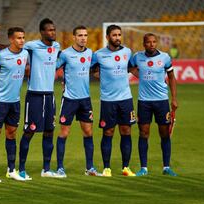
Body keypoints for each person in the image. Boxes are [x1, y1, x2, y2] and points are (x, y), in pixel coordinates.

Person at [91, 24, 136, 177]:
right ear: (107, 37)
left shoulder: (127, 52)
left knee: (126, 131)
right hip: (108, 100)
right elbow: (93, 71)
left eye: (119, 35)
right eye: (114, 35)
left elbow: (131, 68)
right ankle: (107, 168)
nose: (117, 38)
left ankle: (126, 167)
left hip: (125, 99)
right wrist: (104, 78)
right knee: (108, 131)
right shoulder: (98, 55)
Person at [130, 33, 178, 176]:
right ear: (144, 44)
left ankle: (166, 167)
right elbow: (130, 68)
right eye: (148, 42)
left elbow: (171, 77)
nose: (152, 44)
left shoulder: (164, 58)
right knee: (143, 133)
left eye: (154, 42)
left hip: (161, 101)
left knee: (164, 134)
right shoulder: (137, 57)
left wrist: (174, 98)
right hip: (144, 101)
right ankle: (143, 168)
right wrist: (141, 76)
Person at [18, 18, 61, 179]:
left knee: (49, 131)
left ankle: (46, 169)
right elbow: (15, 48)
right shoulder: (31, 46)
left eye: (54, 30)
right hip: (34, 95)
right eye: (50, 30)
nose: (53, 32)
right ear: (42, 32)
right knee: (30, 131)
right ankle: (21, 169)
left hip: (50, 95)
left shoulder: (57, 46)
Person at [55, 25, 100, 177]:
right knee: (64, 132)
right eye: (80, 35)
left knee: (88, 132)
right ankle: (60, 168)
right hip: (69, 99)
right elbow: (53, 68)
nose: (83, 38)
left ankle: (90, 168)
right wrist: (63, 81)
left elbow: (94, 68)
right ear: (74, 37)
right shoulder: (65, 54)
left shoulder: (90, 53)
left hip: (85, 99)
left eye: (85, 35)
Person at [0, 27, 28, 182]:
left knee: (11, 134)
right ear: (11, 39)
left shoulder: (25, 54)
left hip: (15, 102)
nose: (22, 40)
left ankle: (11, 169)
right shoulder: (0, 56)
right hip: (0, 102)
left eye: (23, 37)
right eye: (18, 38)